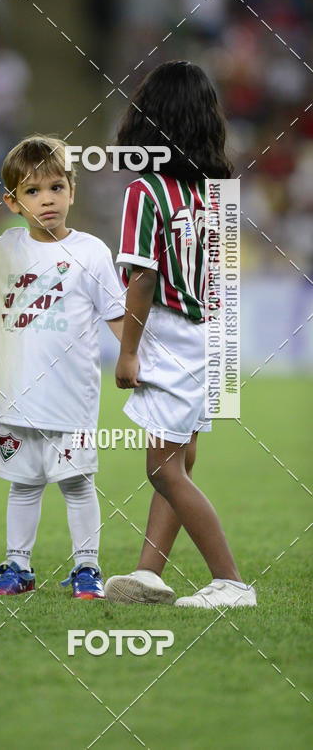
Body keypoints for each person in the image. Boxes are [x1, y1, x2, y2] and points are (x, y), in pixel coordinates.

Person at [104, 60, 257, 608]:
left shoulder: (147, 192)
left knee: (162, 469)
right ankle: (149, 573)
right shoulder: (218, 190)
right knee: (182, 457)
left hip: (173, 335)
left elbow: (142, 275)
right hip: (214, 334)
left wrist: (127, 352)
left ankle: (231, 582)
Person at [0, 136, 125, 600]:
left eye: (56, 187)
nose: (47, 199)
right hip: (15, 399)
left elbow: (117, 317)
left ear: (72, 190)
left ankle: (87, 569)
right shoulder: (2, 251)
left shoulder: (91, 252)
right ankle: (18, 566)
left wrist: (139, 361)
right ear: (12, 202)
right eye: (32, 192)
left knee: (76, 484)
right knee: (23, 485)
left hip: (71, 401)